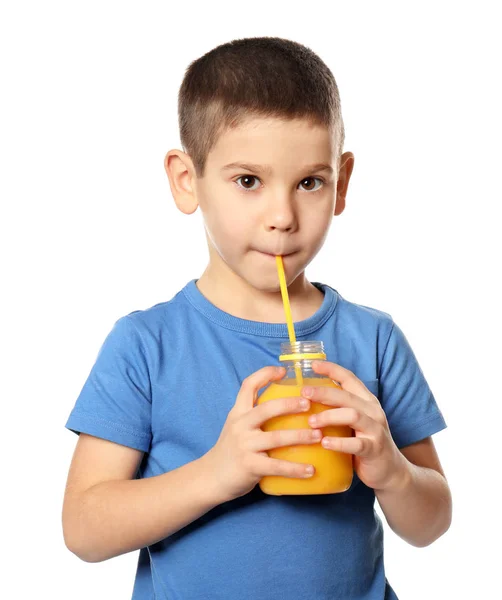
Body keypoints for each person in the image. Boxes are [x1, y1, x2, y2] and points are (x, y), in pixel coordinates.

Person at [62, 36, 451, 599]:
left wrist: (391, 471)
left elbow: (431, 523)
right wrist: (217, 474)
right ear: (186, 179)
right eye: (248, 181)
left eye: (309, 182)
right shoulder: (146, 345)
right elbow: (84, 530)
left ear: (341, 183)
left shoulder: (374, 340)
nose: (282, 217)